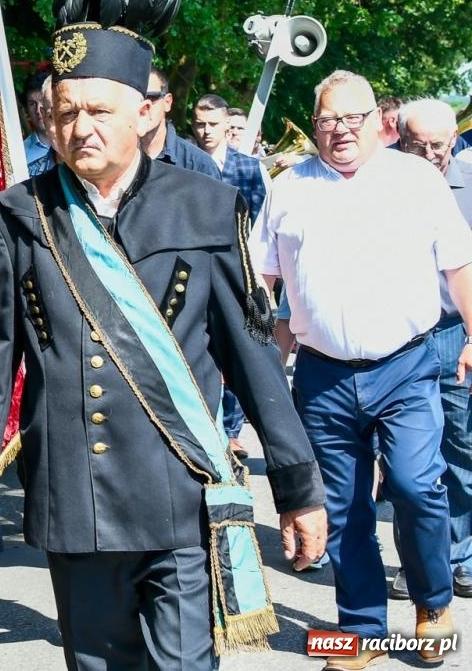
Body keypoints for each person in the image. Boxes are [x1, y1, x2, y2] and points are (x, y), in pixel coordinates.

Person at [0, 0, 326, 671]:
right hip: (71, 496)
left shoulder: (205, 206)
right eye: (65, 113)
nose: (79, 129)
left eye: (98, 112)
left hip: (176, 491)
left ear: (147, 112)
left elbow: (252, 360)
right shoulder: (20, 214)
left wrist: (297, 485)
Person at [256, 71, 472, 667]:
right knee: (344, 505)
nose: (338, 131)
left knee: (414, 485)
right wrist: (262, 367)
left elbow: (459, 265)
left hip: (405, 365)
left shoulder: (417, 180)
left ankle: (433, 603)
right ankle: (362, 630)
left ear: (379, 120)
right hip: (322, 374)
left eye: (351, 119)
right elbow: (262, 280)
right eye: (327, 120)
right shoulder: (289, 186)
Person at [384, 100, 472, 603]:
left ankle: (458, 555)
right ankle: (421, 561)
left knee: (460, 450)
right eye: (420, 145)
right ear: (401, 138)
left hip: (457, 332)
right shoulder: (383, 182)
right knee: (409, 462)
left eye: (441, 145)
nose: (433, 154)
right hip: (402, 337)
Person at [192, 94, 270, 458]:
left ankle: (233, 428)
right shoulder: (186, 162)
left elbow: (257, 222)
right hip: (195, 270)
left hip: (236, 268)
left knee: (237, 344)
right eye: (200, 124)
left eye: (213, 124)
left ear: (227, 126)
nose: (206, 131)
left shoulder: (249, 168)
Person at [138, 68, 219, 178]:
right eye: (135, 99)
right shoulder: (113, 156)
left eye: (151, 97)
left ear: (167, 102)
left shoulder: (199, 166)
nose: (143, 106)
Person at [24, 69, 54, 165]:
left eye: (42, 101)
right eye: (32, 104)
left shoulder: (72, 143)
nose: (38, 110)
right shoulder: (20, 152)